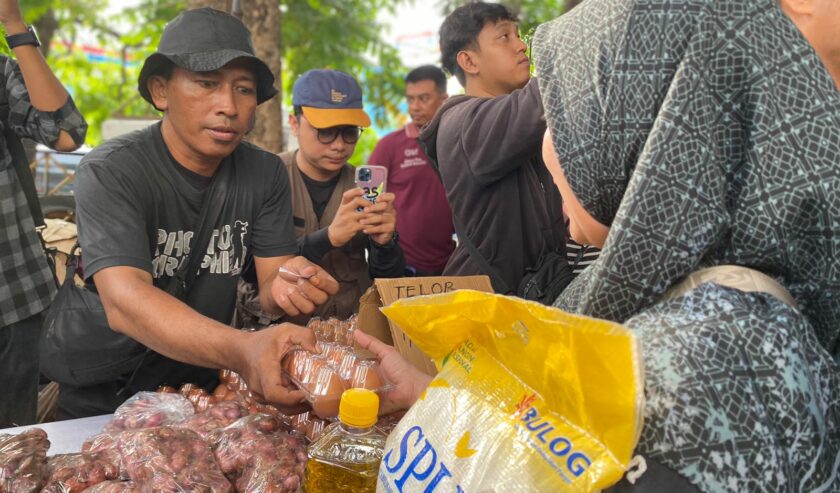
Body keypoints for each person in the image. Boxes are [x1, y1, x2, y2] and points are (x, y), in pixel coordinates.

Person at [534, 0, 840, 490]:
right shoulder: (727, 312)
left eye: (562, 110)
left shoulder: (696, 364)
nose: (549, 141)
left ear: (654, 124)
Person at [66, 8, 339, 419]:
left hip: (198, 385)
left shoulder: (264, 173)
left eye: (244, 89)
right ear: (161, 91)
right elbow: (124, 301)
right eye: (207, 84)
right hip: (105, 388)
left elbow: (272, 282)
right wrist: (243, 348)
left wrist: (291, 286)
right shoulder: (113, 170)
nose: (228, 106)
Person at [419, 2, 568, 297]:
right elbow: (537, 101)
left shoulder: (511, 122)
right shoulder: (462, 122)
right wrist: (581, 38)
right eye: (504, 37)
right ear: (469, 62)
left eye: (518, 35)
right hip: (488, 305)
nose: (521, 46)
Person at [235, 69, 404, 327]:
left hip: (348, 336)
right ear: (294, 123)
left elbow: (389, 282)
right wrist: (328, 238)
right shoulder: (265, 178)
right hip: (276, 330)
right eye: (325, 131)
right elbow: (246, 270)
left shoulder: (363, 187)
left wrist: (385, 244)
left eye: (349, 132)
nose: (338, 144)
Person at [0, 0, 87, 427]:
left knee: (11, 446)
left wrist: (15, 26)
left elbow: (67, 133)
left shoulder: (0, 75)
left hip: (11, 300)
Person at [369, 65, 453, 276]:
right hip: (403, 266)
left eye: (423, 98)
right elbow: (367, 200)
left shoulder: (456, 142)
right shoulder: (388, 146)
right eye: (410, 99)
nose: (414, 107)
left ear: (444, 99)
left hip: (452, 263)